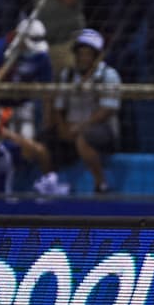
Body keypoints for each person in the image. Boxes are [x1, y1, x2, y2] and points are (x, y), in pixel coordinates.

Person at [43, 29, 120, 194]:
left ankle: (101, 184)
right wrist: (62, 127)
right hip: (70, 126)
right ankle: (51, 181)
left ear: (96, 56)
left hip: (101, 129)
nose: (83, 57)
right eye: (80, 53)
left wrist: (81, 126)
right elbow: (59, 106)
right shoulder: (68, 74)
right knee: (45, 138)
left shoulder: (108, 75)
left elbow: (107, 109)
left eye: (88, 53)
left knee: (84, 137)